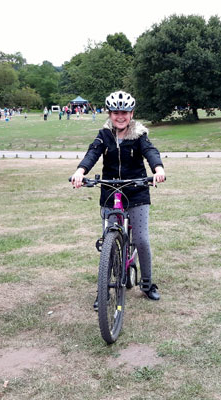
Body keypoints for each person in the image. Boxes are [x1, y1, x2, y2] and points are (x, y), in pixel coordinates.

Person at [70, 90, 166, 308]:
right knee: (109, 242)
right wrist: (80, 172)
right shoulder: (104, 135)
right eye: (115, 112)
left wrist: (158, 169)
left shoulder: (139, 135)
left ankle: (147, 284)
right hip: (110, 191)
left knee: (141, 239)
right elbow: (92, 153)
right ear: (109, 114)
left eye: (124, 112)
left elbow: (151, 152)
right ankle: (103, 291)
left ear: (131, 113)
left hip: (137, 190)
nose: (120, 116)